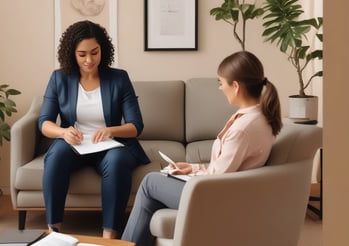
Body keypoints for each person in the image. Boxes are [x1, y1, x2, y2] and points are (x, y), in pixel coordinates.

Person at [121, 51, 282, 246]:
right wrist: (192, 168)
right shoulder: (258, 117)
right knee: (152, 197)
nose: (221, 88)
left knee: (150, 182)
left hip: (218, 201)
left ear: (236, 86)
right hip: (229, 193)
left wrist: (192, 177)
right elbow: (225, 168)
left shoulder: (243, 128)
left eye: (221, 83)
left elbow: (217, 179)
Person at [38, 20, 150, 239]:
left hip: (110, 146)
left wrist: (110, 130)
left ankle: (109, 235)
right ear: (72, 54)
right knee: (56, 156)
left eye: (94, 52)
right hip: (75, 144)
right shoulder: (59, 78)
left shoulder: (119, 78)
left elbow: (136, 125)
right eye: (82, 54)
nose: (89, 60)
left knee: (117, 161)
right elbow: (44, 122)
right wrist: (63, 132)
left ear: (103, 50)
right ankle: (53, 230)